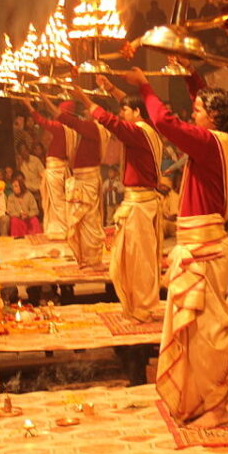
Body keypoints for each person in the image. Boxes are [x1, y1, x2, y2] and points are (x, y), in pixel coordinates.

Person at [125, 64, 228, 429]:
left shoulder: (211, 144)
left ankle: (217, 405)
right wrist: (188, 70)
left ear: (215, 117)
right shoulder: (220, 139)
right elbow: (199, 99)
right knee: (193, 332)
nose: (194, 114)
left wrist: (146, 86)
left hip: (204, 251)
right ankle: (199, 400)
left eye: (199, 111)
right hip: (197, 245)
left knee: (208, 333)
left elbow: (166, 122)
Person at [70, 75, 163, 322]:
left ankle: (141, 308)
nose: (122, 113)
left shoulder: (138, 132)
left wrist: (83, 98)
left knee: (137, 260)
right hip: (138, 203)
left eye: (125, 110)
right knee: (128, 259)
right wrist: (110, 88)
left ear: (136, 112)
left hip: (140, 206)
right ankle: (136, 306)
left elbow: (109, 120)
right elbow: (128, 106)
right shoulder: (148, 127)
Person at [26, 95, 110, 267]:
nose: (86, 111)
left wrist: (35, 105)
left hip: (82, 179)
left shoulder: (91, 128)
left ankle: (89, 255)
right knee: (84, 219)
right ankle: (87, 256)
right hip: (81, 178)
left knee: (87, 220)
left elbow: (53, 121)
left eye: (90, 109)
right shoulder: (90, 128)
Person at [25, 101, 74, 240]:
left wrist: (28, 104)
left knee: (57, 203)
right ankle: (61, 229)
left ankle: (59, 230)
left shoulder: (60, 127)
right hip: (62, 169)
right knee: (59, 202)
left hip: (56, 171)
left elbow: (40, 120)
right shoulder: (72, 128)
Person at [16, 142, 44, 212]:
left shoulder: (36, 160)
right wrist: (19, 164)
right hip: (27, 189)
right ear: (20, 154)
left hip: (38, 187)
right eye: (21, 151)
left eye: (25, 150)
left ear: (28, 150)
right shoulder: (20, 163)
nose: (24, 153)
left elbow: (43, 174)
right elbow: (18, 177)